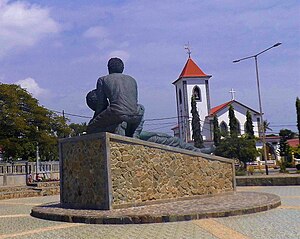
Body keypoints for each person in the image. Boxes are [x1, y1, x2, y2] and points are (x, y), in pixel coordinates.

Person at [86, 58, 143, 136]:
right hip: (136, 115)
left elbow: (101, 104)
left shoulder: (103, 79)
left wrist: (95, 119)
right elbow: (134, 102)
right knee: (141, 107)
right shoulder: (132, 80)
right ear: (122, 68)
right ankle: (135, 134)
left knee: (91, 129)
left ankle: (116, 127)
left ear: (109, 68)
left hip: (117, 113)